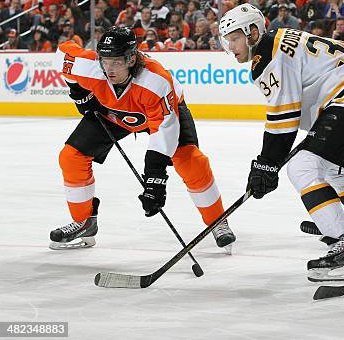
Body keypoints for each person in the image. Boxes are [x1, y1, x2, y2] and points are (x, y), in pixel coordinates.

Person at [219, 4, 344, 281]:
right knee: (334, 171)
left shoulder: (268, 57)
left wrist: (266, 164)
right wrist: (268, 162)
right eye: (227, 40)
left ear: (252, 32)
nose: (231, 46)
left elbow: (284, 116)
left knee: (301, 167)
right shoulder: (278, 41)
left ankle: (342, 247)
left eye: (234, 38)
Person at [49, 27, 236, 252]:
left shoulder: (155, 81)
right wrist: (79, 93)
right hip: (112, 112)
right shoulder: (90, 66)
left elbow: (163, 132)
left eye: (116, 62)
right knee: (71, 157)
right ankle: (84, 222)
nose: (108, 69)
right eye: (104, 61)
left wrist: (155, 180)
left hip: (157, 114)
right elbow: (62, 56)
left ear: (131, 58)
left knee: (191, 161)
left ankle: (217, 221)